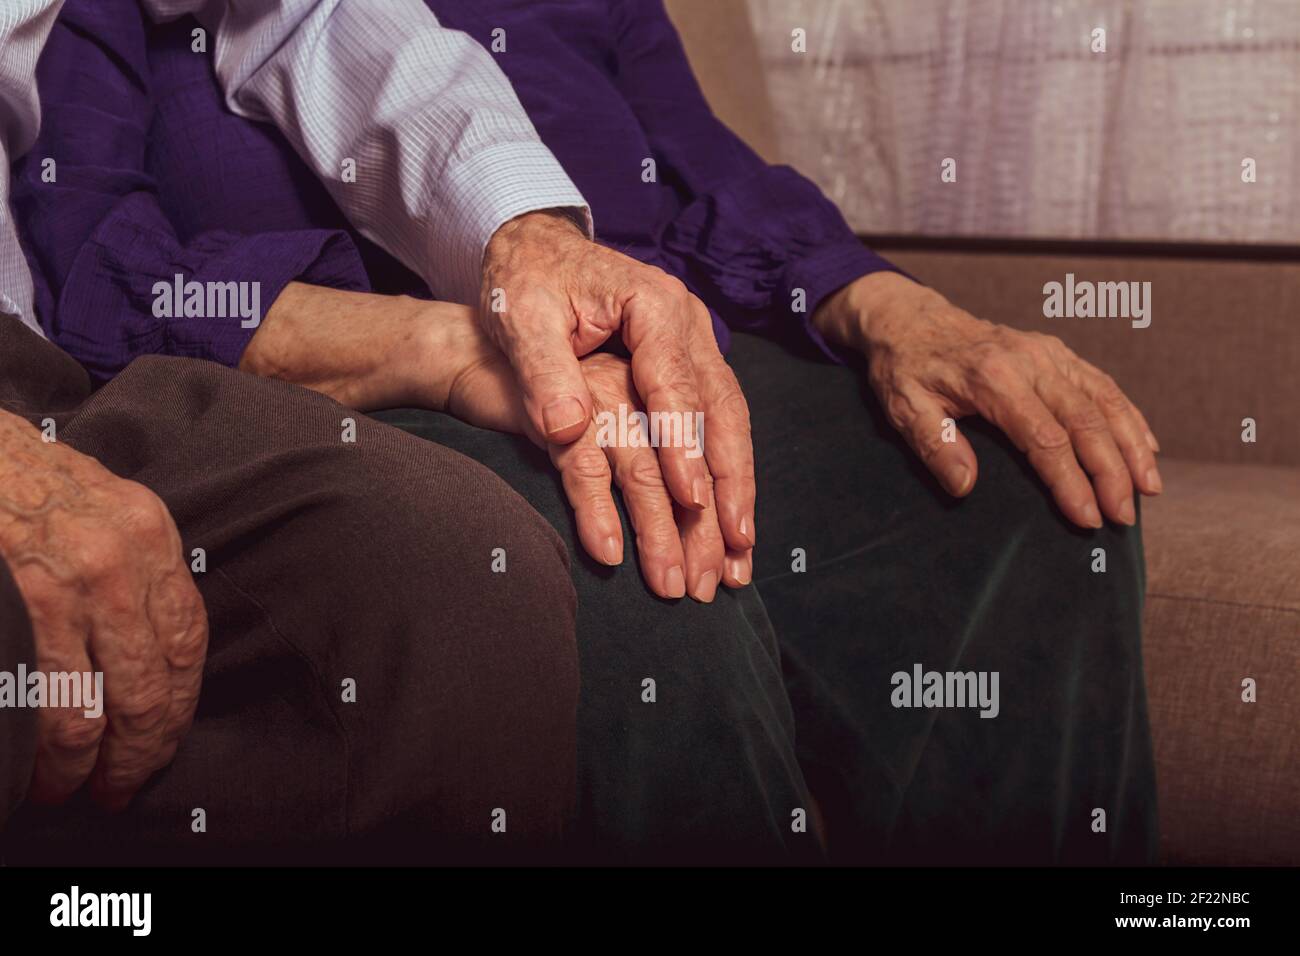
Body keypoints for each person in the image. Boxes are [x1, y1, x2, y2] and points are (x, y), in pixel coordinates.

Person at [11, 0, 1161, 863]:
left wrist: (893, 305)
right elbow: (106, 270)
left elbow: (706, 167)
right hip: (377, 374)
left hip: (648, 334)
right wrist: (455, 339)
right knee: (623, 573)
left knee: (1014, 496)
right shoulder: (112, 25)